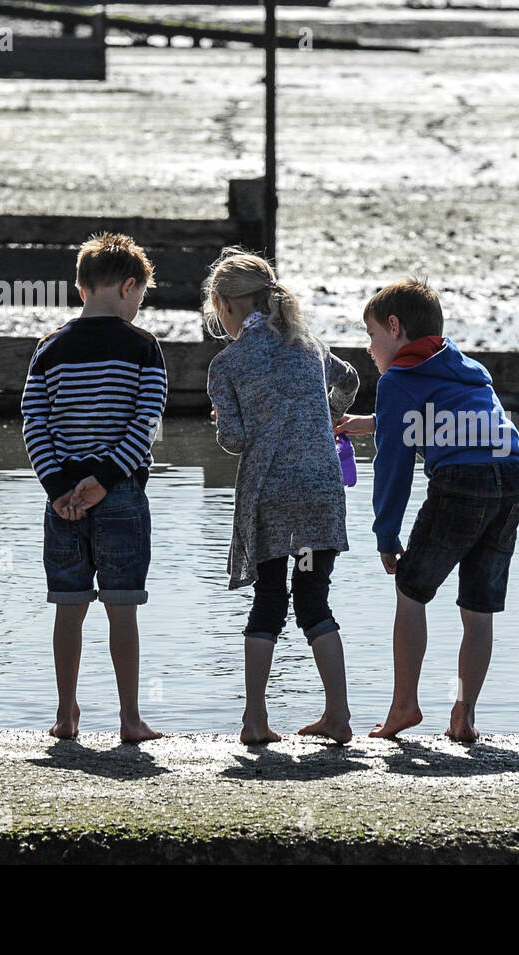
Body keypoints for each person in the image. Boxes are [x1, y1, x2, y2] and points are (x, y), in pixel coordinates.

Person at [335, 278, 519, 742]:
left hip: (462, 481)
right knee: (478, 607)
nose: (368, 347)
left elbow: (393, 468)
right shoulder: (466, 365)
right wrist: (375, 422)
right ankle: (464, 713)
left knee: (411, 590)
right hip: (511, 472)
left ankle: (404, 706)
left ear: (395, 328)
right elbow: (447, 411)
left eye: (372, 335)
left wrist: (386, 534)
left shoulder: (397, 379)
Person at [205, 250, 360, 745]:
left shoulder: (228, 363)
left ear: (227, 306)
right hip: (318, 490)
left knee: (269, 600)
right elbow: (351, 380)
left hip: (270, 495)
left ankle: (255, 720)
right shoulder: (308, 344)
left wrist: (229, 423)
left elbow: (234, 440)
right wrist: (324, 415)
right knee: (314, 600)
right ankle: (338, 716)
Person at [21, 232, 166, 743]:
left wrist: (58, 486)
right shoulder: (144, 347)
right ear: (129, 287)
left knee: (69, 604)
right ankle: (130, 718)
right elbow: (145, 423)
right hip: (120, 491)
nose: (139, 306)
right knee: (122, 606)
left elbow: (33, 424)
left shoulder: (48, 349)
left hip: (62, 498)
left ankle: (67, 714)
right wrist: (103, 481)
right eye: (141, 296)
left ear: (82, 289)